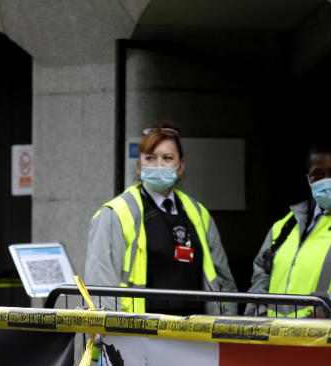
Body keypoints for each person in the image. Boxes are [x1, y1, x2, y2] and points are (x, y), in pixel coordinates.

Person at [85, 121, 237, 315]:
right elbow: (101, 284)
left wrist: (226, 327)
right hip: (141, 336)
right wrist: (109, 338)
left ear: (180, 166)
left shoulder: (198, 214)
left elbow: (224, 281)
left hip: (195, 334)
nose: (158, 166)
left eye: (167, 158)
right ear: (139, 166)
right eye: (150, 158)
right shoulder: (116, 214)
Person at [246, 141, 331, 319]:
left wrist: (316, 319)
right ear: (308, 180)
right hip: (273, 338)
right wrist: (260, 314)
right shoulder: (285, 225)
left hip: (322, 338)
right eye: (317, 175)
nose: (326, 181)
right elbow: (261, 275)